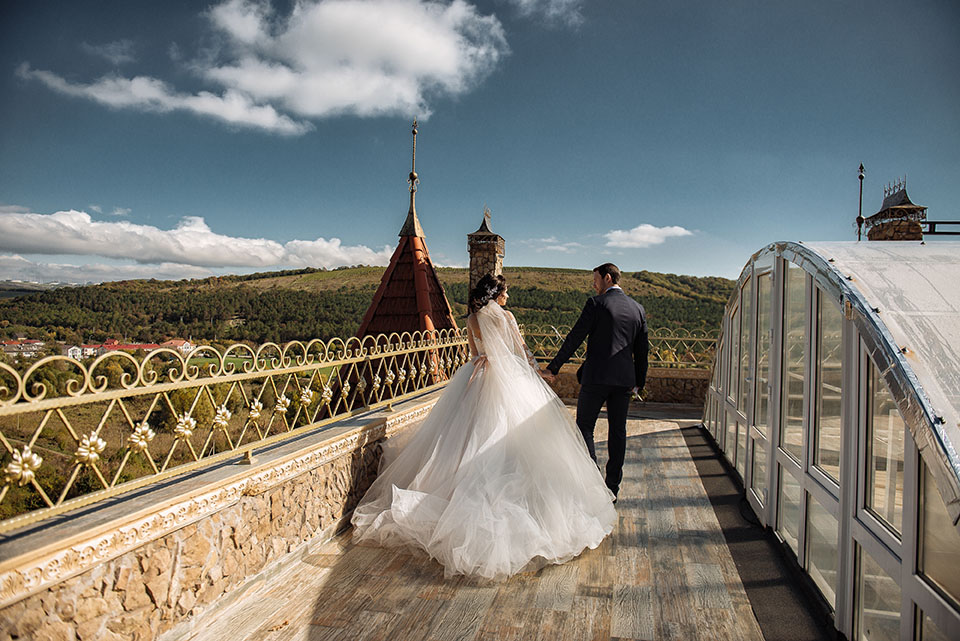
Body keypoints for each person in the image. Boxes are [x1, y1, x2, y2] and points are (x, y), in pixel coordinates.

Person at [351, 273, 616, 581]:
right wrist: (540, 374)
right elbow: (521, 351)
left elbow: (475, 355)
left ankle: (449, 491)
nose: (508, 296)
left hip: (477, 377)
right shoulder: (506, 316)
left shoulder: (473, 319)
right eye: (505, 292)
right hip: (510, 380)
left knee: (465, 438)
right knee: (514, 439)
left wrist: (483, 364)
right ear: (497, 294)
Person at [542, 263, 648, 502]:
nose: (593, 284)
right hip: (624, 381)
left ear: (607, 278)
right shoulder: (638, 309)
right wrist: (638, 383)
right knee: (618, 432)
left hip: (596, 378)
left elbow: (574, 338)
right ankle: (612, 488)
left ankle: (594, 483)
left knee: (584, 428)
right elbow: (643, 352)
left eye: (596, 279)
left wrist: (553, 367)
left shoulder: (596, 304)